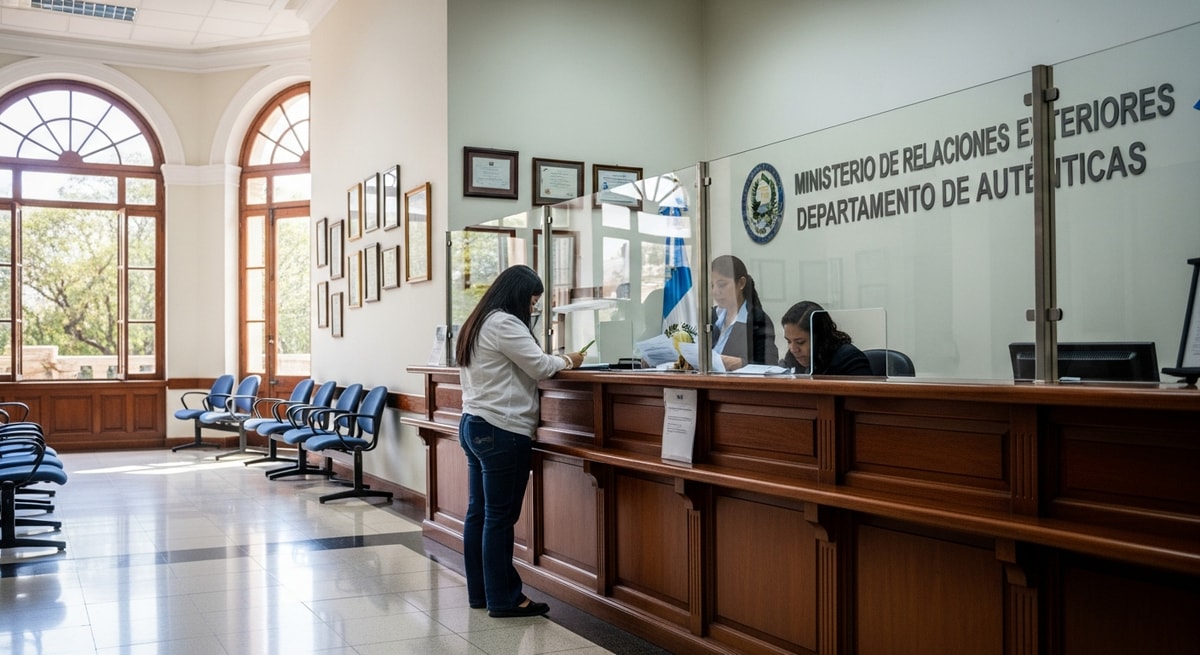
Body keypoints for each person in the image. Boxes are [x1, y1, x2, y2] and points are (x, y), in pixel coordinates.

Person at [454, 264, 585, 617]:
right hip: (502, 429)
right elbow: (541, 366)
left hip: (474, 424)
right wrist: (569, 359)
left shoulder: (478, 320)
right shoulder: (505, 323)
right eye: (532, 302)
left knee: (479, 514)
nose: (533, 309)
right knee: (498, 517)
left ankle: (481, 594)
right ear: (517, 296)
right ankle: (505, 599)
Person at [710, 255, 778, 370]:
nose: (716, 291)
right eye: (712, 285)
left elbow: (769, 364)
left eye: (721, 285)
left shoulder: (757, 319)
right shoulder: (712, 316)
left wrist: (742, 363)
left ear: (741, 283)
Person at [779, 300, 873, 375]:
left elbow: (864, 398)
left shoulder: (849, 359)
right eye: (789, 341)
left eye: (800, 342)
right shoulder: (791, 359)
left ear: (820, 337)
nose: (793, 349)